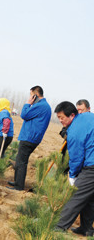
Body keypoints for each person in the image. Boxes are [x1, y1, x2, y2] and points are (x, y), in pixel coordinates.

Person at [54, 101, 94, 236]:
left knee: (76, 194)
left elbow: (76, 158)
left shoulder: (75, 131)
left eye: (62, 117)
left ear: (72, 115)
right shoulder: (87, 117)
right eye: (58, 118)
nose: (60, 120)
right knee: (89, 196)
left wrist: (73, 175)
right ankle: (86, 228)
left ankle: (59, 226)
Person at [7, 86, 51, 191]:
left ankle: (19, 186)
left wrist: (27, 103)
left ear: (35, 95)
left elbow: (24, 115)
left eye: (31, 95)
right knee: (20, 160)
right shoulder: (44, 106)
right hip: (31, 137)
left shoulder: (41, 106)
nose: (30, 97)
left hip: (29, 138)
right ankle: (17, 182)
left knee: (21, 161)